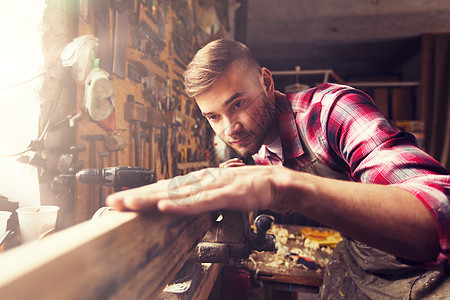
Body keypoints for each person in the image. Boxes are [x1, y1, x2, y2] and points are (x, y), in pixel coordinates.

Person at [107, 39, 450, 298]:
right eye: (214, 117)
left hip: (435, 273)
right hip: (363, 261)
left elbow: (437, 215)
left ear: (267, 82)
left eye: (237, 104)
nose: (230, 128)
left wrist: (284, 185)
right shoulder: (258, 152)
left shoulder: (332, 112)